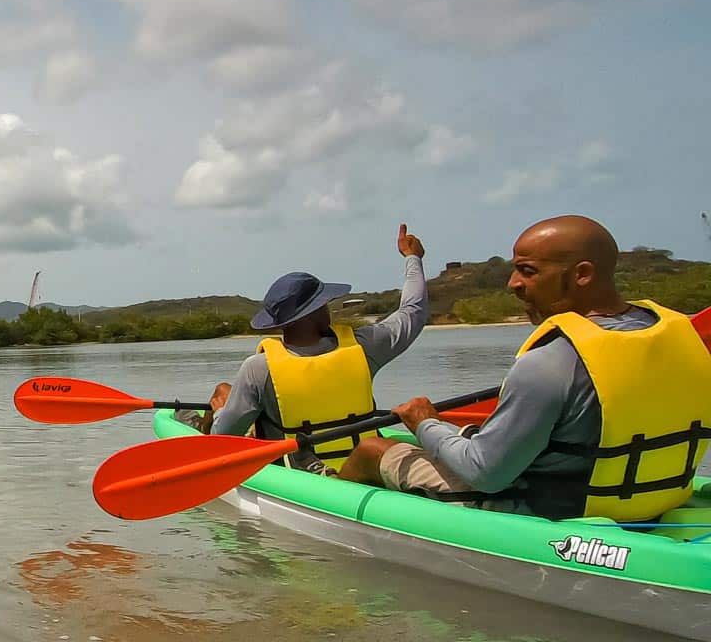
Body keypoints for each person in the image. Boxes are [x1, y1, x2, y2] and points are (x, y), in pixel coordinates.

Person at [340, 216, 711, 520]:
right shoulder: (683, 336)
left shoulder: (549, 362)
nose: (512, 283)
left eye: (527, 271)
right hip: (657, 495)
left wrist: (424, 422)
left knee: (372, 449)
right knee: (468, 431)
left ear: (582, 274)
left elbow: (486, 474)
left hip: (550, 510)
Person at [204, 225, 430, 471]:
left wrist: (219, 414)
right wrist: (412, 258)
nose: (328, 309)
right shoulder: (364, 347)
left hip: (298, 480)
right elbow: (413, 313)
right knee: (226, 391)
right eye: (323, 304)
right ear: (313, 313)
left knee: (223, 392)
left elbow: (225, 438)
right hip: (364, 472)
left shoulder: (257, 369)